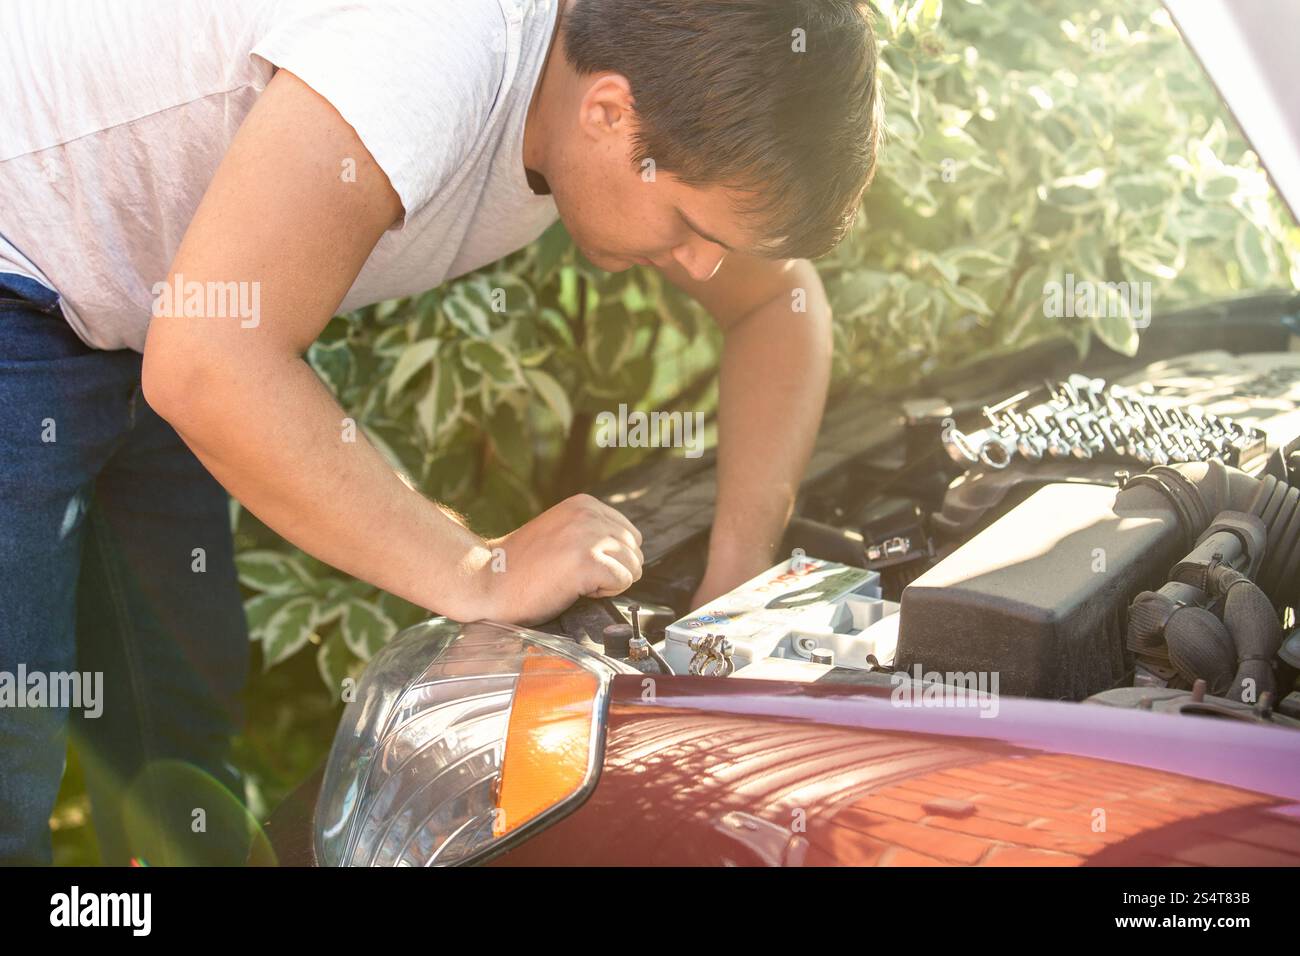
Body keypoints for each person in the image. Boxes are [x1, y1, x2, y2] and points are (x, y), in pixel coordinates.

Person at [0, 0, 881, 864]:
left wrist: (734, 581)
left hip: (150, 304)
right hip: (35, 270)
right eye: (692, 228)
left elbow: (780, 300)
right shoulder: (426, 50)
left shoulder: (623, 89)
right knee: (11, 771)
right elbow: (210, 370)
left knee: (173, 731)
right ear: (608, 112)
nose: (704, 266)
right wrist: (480, 570)